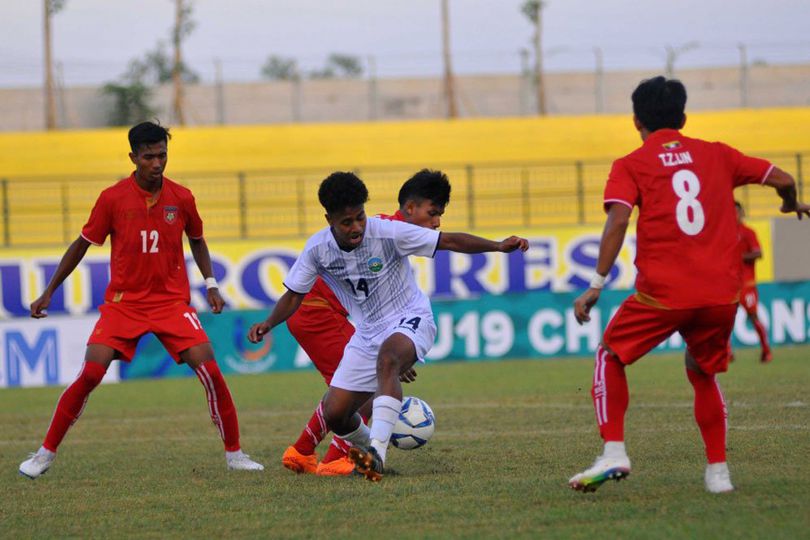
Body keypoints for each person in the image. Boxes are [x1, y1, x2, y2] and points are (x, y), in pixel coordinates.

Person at [568, 76, 809, 494]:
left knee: (610, 355)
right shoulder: (719, 155)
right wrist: (790, 204)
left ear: (635, 120)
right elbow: (784, 178)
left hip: (663, 294)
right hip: (720, 294)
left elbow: (619, 219)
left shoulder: (632, 164)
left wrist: (596, 283)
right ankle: (718, 474)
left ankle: (614, 451)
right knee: (702, 372)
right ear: (683, 117)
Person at [19, 122, 264, 479]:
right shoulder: (112, 198)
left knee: (210, 370)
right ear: (133, 157)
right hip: (124, 304)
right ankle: (43, 454)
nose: (157, 163)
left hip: (171, 303)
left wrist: (210, 283)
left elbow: (197, 239)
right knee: (90, 373)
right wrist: (49, 291)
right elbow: (82, 244)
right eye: (148, 156)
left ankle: (235, 454)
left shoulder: (181, 197)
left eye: (162, 155)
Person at [248, 171, 528, 481]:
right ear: (329, 220)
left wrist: (499, 246)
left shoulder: (387, 231)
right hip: (368, 331)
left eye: (360, 218)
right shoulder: (317, 249)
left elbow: (448, 240)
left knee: (389, 359)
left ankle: (376, 452)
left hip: (410, 316)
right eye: (346, 222)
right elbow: (294, 295)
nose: (356, 227)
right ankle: (367, 449)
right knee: (336, 414)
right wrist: (269, 323)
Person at [281, 169, 452, 477]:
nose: (436, 222)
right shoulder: (385, 231)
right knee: (365, 389)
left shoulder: (378, 228)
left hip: (316, 314)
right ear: (410, 209)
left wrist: (395, 342)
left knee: (357, 388)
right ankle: (337, 458)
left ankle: (302, 451)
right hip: (317, 312)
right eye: (433, 213)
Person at [734, 200, 772, 363]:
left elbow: (758, 253)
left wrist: (739, 257)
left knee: (753, 316)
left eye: (736, 211)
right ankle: (726, 353)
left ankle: (766, 350)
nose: (734, 215)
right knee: (723, 320)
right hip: (729, 285)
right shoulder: (724, 234)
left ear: (742, 213)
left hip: (746, 285)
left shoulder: (748, 232)